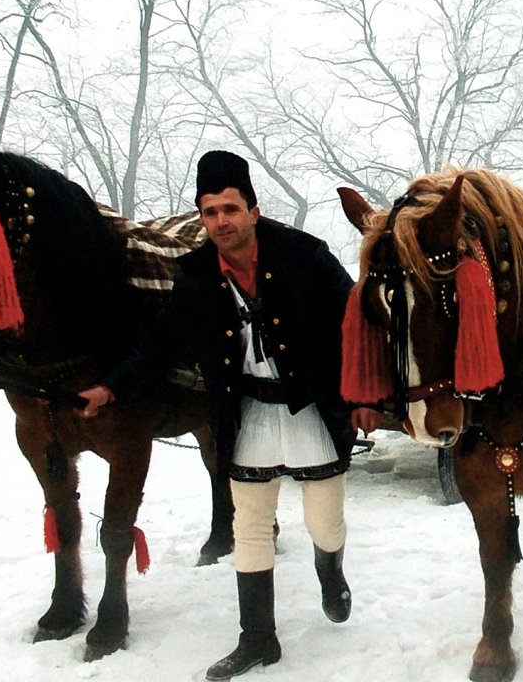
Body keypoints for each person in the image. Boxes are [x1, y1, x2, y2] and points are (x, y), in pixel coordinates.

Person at [77, 150, 382, 679]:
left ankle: (329, 568)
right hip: (246, 416)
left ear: (253, 211)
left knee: (323, 522)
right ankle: (258, 639)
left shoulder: (304, 254)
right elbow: (159, 341)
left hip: (310, 408)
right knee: (251, 526)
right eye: (210, 211)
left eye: (231, 209)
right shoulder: (194, 273)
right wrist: (110, 387)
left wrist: (364, 394)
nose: (221, 221)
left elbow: (356, 319)